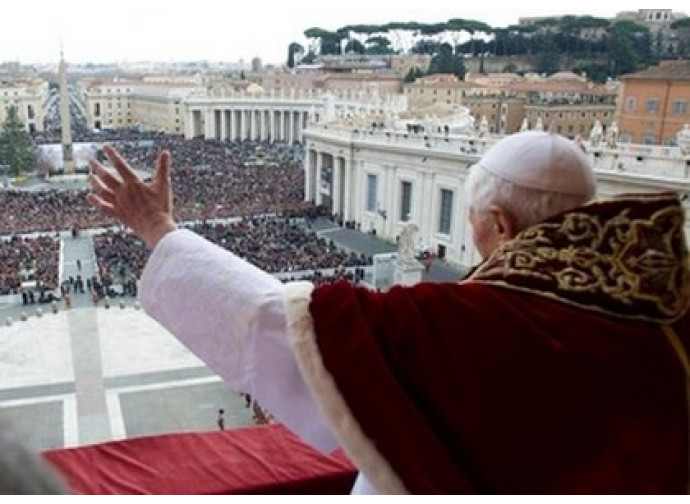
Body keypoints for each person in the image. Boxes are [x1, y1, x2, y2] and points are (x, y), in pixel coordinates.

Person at [87, 132, 690, 494]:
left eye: (475, 221)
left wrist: (157, 227)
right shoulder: (670, 320)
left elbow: (290, 335)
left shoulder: (461, 322)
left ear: (499, 225)